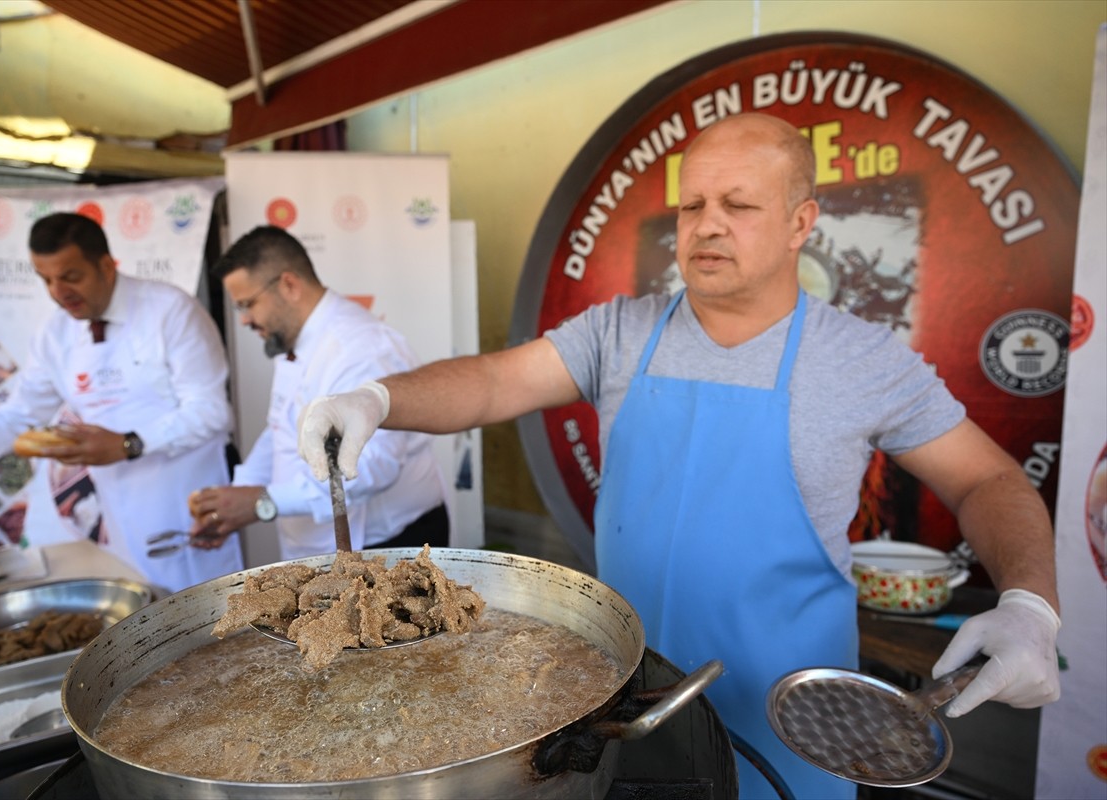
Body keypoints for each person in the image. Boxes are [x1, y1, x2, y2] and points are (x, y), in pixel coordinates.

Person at [296, 114, 1062, 799]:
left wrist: (1029, 601)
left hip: (791, 721)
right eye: (692, 205)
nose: (706, 224)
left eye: (739, 205)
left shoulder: (861, 361)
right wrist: (379, 400)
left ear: (802, 223)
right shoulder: (620, 332)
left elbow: (988, 477)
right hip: (625, 704)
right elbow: (496, 380)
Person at [0, 212, 242, 593]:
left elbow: (211, 411)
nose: (57, 291)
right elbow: (18, 415)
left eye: (70, 276)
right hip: (115, 518)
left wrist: (127, 444)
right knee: (142, 623)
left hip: (187, 508)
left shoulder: (170, 311)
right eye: (46, 279)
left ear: (105, 265)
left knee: (211, 621)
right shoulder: (56, 333)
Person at [188, 225, 447, 560]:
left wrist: (263, 502)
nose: (244, 320)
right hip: (325, 546)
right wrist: (235, 497)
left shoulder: (361, 348)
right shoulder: (293, 340)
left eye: (247, 304)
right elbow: (280, 427)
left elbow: (371, 467)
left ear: (289, 285)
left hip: (392, 547)